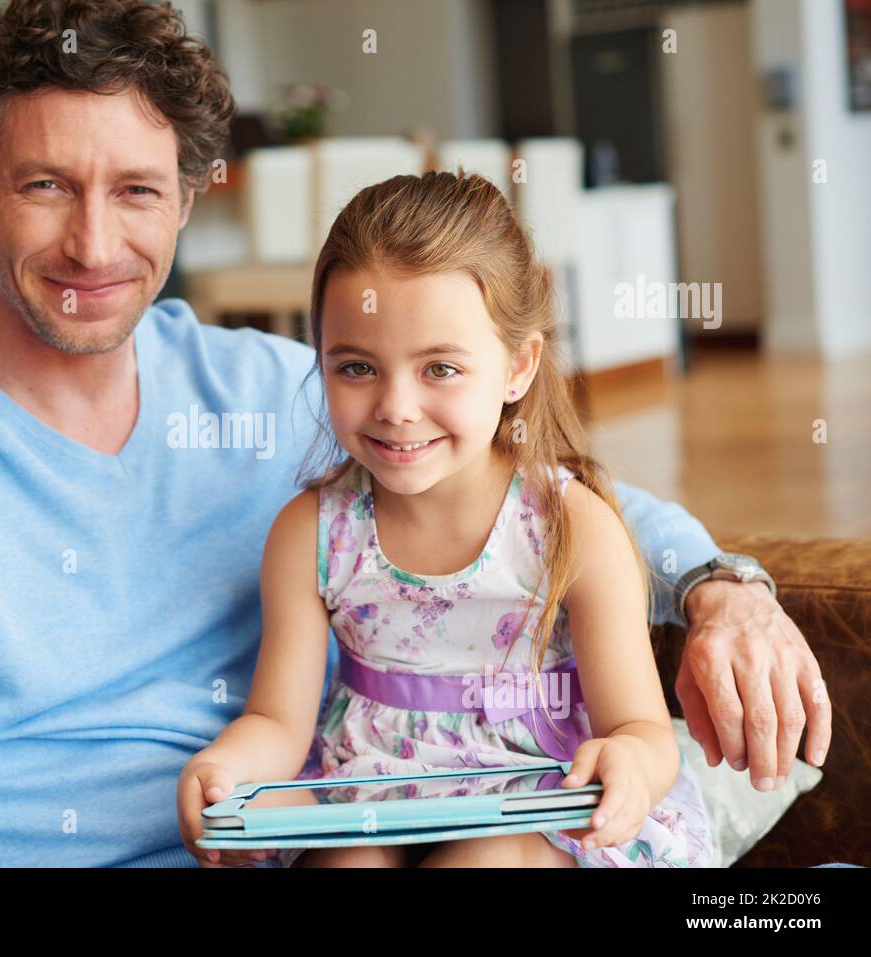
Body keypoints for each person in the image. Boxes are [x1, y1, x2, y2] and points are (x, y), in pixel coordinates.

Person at [0, 0, 829, 868]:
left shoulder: (274, 393)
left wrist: (720, 588)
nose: (93, 241)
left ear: (185, 204)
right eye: (44, 186)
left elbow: (530, 502)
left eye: (136, 190)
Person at [177, 170, 716, 867]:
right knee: (346, 863)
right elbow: (277, 721)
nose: (396, 406)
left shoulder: (571, 527)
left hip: (533, 801)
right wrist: (223, 768)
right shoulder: (309, 534)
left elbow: (640, 726)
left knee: (483, 858)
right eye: (356, 368)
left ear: (518, 367)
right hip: (370, 792)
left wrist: (630, 764)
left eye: (439, 369)